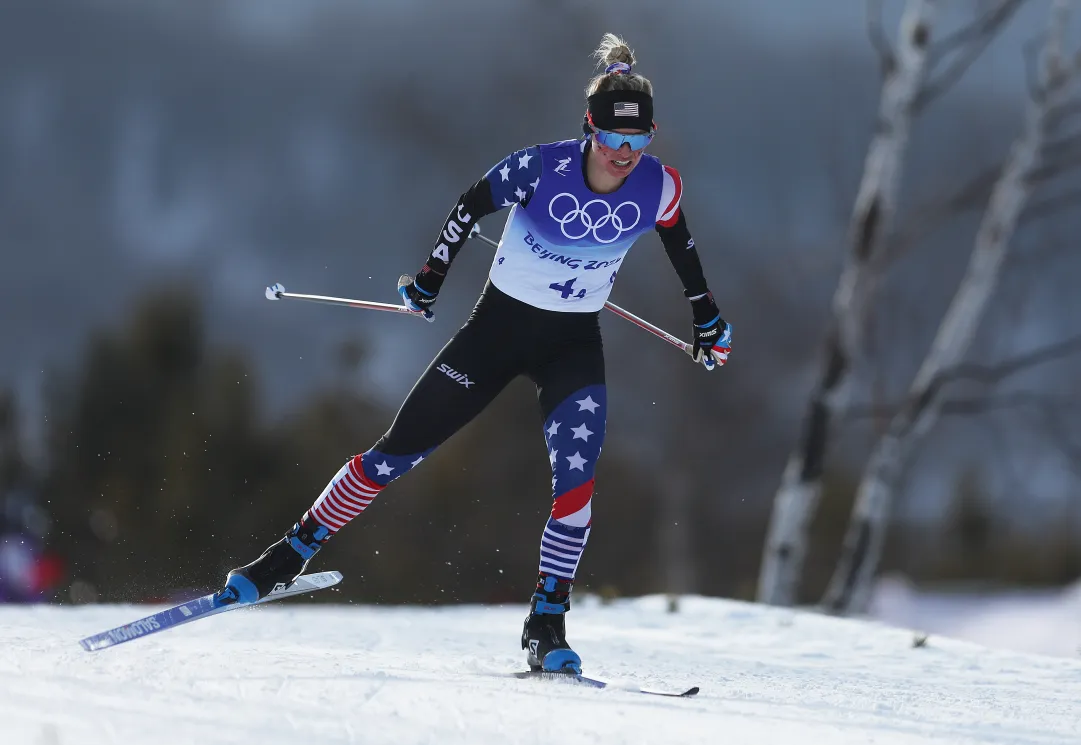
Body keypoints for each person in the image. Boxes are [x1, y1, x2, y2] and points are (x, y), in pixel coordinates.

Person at [217, 33, 732, 675]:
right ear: (589, 129)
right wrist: (431, 278)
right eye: (612, 138)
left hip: (572, 347)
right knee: (392, 456)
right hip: (494, 336)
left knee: (576, 484)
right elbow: (470, 205)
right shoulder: (540, 168)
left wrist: (705, 314)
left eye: (639, 140)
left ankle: (547, 623)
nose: (625, 154)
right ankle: (286, 557)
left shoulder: (658, 187)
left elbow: (680, 246)